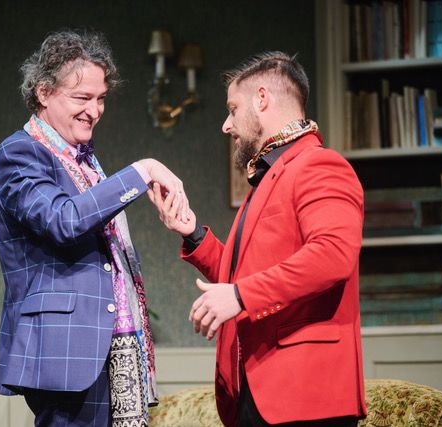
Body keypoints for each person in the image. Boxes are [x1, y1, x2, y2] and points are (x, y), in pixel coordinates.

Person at [150, 51, 367, 426]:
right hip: (258, 388)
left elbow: (333, 256)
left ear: (262, 99)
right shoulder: (270, 177)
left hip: (306, 394)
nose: (226, 125)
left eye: (232, 109)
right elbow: (244, 276)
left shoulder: (319, 164)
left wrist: (239, 296)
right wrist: (193, 233)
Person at [0, 29, 189, 426]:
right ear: (44, 92)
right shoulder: (19, 153)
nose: (94, 110)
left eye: (101, 98)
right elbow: (63, 219)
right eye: (82, 98)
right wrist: (142, 170)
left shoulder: (82, 161)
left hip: (103, 342)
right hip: (65, 347)